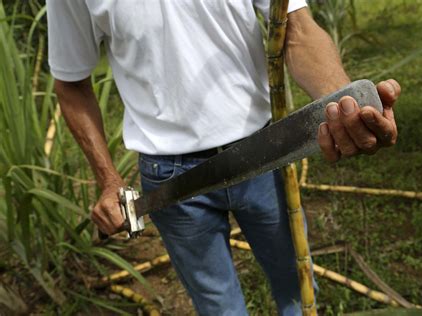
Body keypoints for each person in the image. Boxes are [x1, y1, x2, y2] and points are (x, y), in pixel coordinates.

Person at [47, 1, 400, 315]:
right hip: (170, 180)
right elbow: (70, 82)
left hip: (263, 154)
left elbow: (297, 26)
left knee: (298, 287)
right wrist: (109, 180)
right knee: (218, 307)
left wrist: (342, 107)